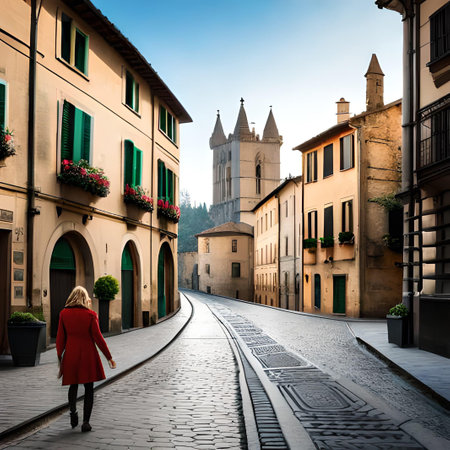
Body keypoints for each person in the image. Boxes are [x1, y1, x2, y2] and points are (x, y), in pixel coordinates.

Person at [56, 286, 116, 432]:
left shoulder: (64, 314)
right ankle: (86, 422)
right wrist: (109, 357)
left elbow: (59, 339)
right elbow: (98, 338)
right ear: (85, 298)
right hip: (88, 355)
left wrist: (60, 358)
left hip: (71, 354)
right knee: (89, 388)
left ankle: (73, 412)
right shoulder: (90, 315)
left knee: (73, 385)